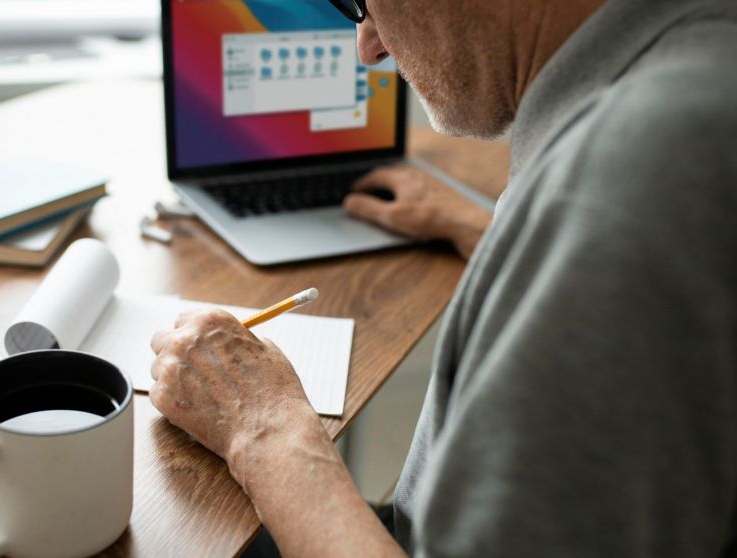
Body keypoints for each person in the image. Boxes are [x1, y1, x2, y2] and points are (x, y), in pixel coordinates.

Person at [149, 0, 737, 556]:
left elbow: (619, 247)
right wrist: (496, 229)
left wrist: (264, 428)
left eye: (362, 3)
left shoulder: (624, 186)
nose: (369, 47)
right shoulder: (693, 61)